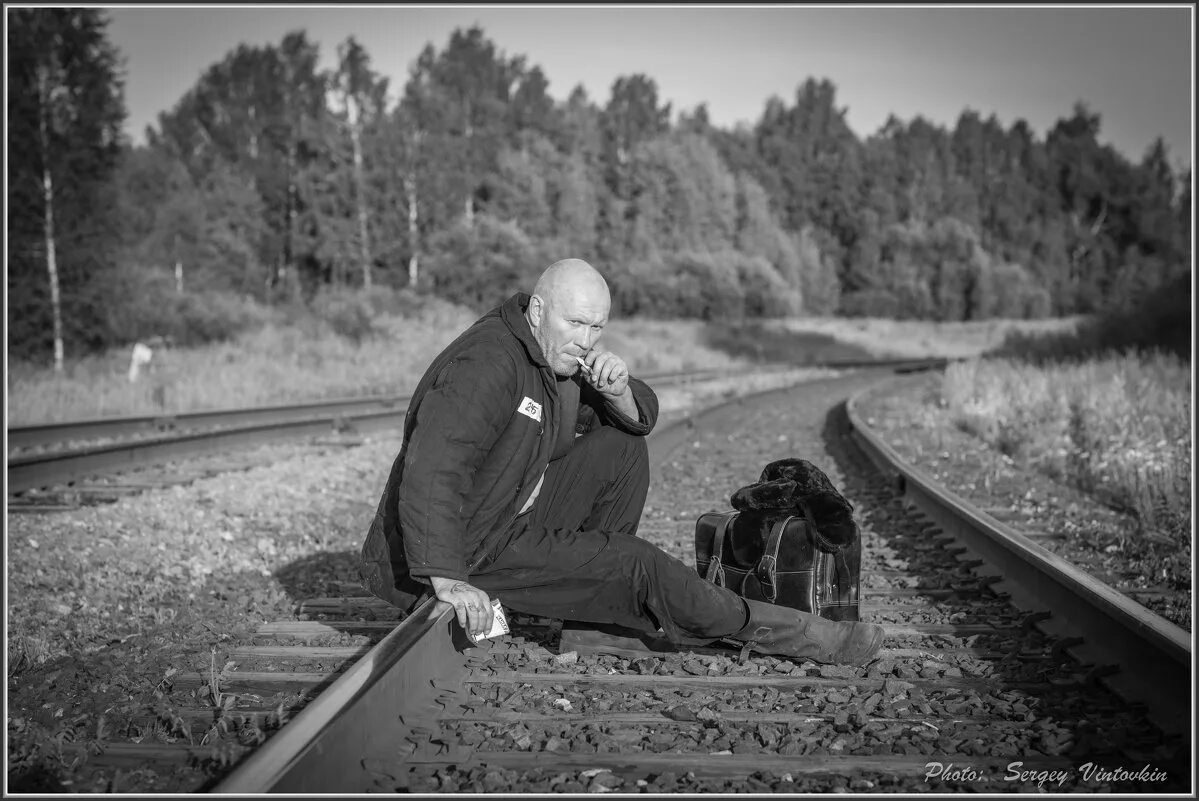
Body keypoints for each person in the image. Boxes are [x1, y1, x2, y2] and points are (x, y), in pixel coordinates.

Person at [360, 258, 884, 665]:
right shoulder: (489, 363)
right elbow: (434, 468)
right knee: (636, 561)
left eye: (597, 327)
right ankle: (798, 634)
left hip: (499, 520)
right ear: (538, 310)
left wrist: (616, 392)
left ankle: (589, 621)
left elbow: (640, 419)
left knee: (622, 448)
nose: (586, 340)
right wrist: (446, 577)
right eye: (576, 323)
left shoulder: (548, 356)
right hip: (464, 549)